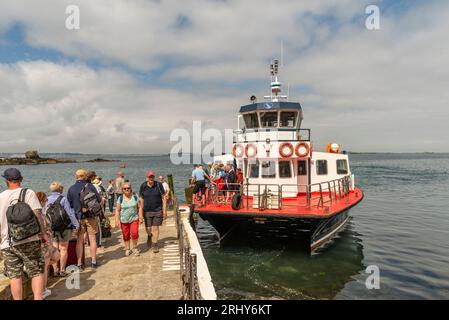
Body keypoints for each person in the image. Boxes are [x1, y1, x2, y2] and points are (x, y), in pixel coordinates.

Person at [0, 168, 47, 300]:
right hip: (29, 240)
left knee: (15, 276)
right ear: (21, 179)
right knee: (36, 272)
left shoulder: (0, 197)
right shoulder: (28, 193)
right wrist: (43, 234)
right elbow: (38, 214)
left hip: (7, 242)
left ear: (6, 181)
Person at [43, 182, 79, 278]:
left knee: (54, 249)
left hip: (52, 228)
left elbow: (44, 214)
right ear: (60, 189)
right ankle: (62, 270)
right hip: (64, 227)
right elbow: (70, 213)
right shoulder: (63, 199)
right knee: (63, 248)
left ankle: (55, 270)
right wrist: (76, 224)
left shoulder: (47, 200)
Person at [67, 169, 101, 269]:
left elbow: (70, 205)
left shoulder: (71, 188)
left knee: (80, 240)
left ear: (76, 176)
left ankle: (79, 263)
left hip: (78, 217)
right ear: (85, 176)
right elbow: (98, 200)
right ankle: (94, 261)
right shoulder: (90, 186)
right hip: (91, 216)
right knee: (92, 239)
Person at [36, 192, 60, 299]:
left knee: (53, 259)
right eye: (45, 201)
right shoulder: (38, 214)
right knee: (44, 269)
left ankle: (42, 289)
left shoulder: (37, 212)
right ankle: (43, 290)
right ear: (41, 201)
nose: (46, 202)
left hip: (44, 244)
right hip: (44, 244)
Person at [139, 171, 166, 253]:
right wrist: (141, 211)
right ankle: (149, 235)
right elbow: (141, 198)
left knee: (155, 228)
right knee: (148, 228)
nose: (151, 178)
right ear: (147, 178)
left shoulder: (158, 185)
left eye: (152, 177)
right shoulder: (143, 186)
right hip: (147, 210)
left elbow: (164, 197)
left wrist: (164, 210)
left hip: (158, 210)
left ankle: (155, 244)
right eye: (149, 177)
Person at [115, 182, 143, 256]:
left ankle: (135, 248)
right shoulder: (120, 198)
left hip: (134, 218)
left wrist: (140, 217)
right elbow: (117, 210)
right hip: (124, 220)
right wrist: (116, 220)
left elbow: (139, 207)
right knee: (126, 235)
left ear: (131, 189)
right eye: (125, 188)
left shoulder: (135, 196)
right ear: (122, 190)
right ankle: (127, 249)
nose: (127, 189)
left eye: (128, 188)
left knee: (134, 233)